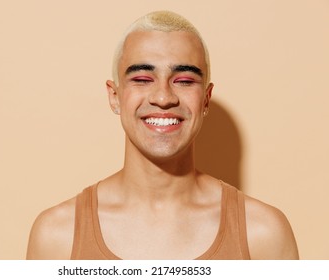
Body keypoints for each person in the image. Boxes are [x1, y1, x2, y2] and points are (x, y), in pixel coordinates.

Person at [26, 10, 299, 260]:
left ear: (205, 99)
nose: (163, 97)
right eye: (142, 79)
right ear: (115, 96)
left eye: (184, 81)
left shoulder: (264, 235)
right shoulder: (57, 236)